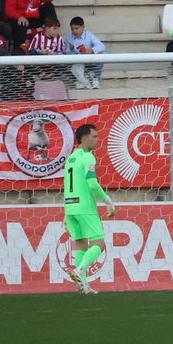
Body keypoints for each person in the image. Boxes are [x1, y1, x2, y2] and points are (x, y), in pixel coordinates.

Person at [62, 123, 116, 295]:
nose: (98, 140)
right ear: (84, 138)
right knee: (99, 244)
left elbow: (68, 185)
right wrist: (108, 201)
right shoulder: (88, 157)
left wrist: (65, 212)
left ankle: (83, 286)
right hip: (85, 207)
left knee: (81, 245)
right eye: (94, 136)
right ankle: (79, 271)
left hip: (70, 207)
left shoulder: (71, 159)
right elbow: (92, 184)